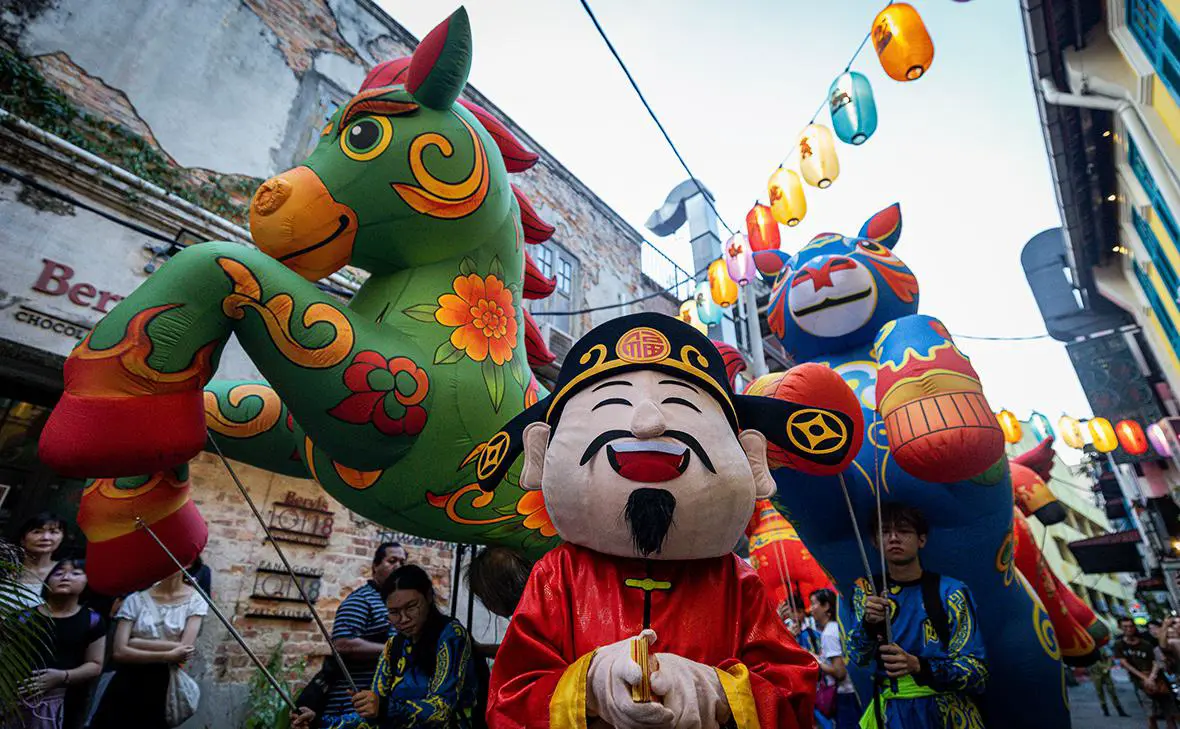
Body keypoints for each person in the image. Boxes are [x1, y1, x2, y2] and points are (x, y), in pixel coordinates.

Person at [480, 313, 862, 727]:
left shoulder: (736, 582)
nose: (648, 424)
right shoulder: (558, 577)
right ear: (541, 454)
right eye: (612, 404)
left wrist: (717, 692)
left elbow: (792, 692)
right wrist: (589, 687)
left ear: (753, 463)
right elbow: (509, 698)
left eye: (681, 405)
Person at [847, 503, 988, 729]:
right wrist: (867, 625)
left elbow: (977, 672)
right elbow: (857, 658)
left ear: (921, 539)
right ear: (875, 542)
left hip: (948, 713)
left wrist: (919, 665)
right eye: (885, 532)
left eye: (903, 531)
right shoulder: (866, 590)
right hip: (892, 715)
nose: (893, 538)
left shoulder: (952, 592)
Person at [292, 565, 478, 729]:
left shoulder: (451, 635)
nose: (404, 619)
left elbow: (441, 710)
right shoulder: (393, 646)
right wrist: (319, 723)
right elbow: (372, 717)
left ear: (428, 596)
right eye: (394, 612)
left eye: (411, 607)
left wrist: (383, 708)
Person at [294, 541, 407, 728]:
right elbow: (343, 644)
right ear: (375, 567)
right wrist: (394, 649)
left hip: (378, 706)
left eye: (402, 563)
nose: (398, 567)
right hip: (348, 705)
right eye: (392, 560)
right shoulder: (361, 600)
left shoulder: (394, 604)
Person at [87, 568, 207, 729]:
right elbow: (119, 652)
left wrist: (136, 642)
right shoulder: (135, 600)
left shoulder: (195, 601)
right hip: (128, 679)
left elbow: (184, 650)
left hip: (163, 684)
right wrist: (167, 655)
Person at [6, 558, 105, 729]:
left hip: (66, 703)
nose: (65, 577)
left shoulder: (92, 620)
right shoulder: (22, 618)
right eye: (58, 573)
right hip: (14, 701)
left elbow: (95, 664)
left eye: (75, 573)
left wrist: (61, 677)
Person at [1115, 616, 1179, 729]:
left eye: (1131, 626)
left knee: (1170, 713)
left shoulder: (1145, 643)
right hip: (1141, 683)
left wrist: (1152, 677)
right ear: (1120, 627)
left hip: (1159, 680)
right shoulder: (1119, 645)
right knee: (1151, 714)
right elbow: (1125, 663)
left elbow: (1156, 659)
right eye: (1125, 627)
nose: (1129, 629)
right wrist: (1145, 679)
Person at [811, 588, 860, 729]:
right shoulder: (835, 627)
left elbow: (840, 672)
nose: (811, 608)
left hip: (845, 696)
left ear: (826, 606)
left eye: (814, 604)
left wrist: (816, 662)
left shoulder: (829, 633)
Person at [15, 512, 66, 608]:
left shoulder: (66, 574)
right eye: (37, 532)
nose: (46, 538)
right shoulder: (6, 569)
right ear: (22, 539)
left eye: (53, 532)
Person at [1088, 644, 1130, 718]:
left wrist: (1107, 667)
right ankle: (1105, 711)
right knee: (1099, 692)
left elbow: (1110, 658)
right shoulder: (1089, 648)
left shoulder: (1103, 648)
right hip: (1095, 672)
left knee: (1112, 691)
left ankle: (1120, 711)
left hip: (1105, 672)